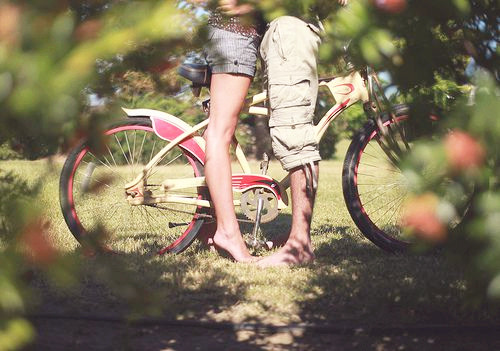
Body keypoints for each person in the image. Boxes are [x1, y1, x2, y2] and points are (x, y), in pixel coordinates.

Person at [256, 0, 349, 267]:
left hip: (290, 31)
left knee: (295, 133)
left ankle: (299, 246)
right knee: (289, 129)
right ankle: (296, 238)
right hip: (282, 32)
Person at [193, 0, 264, 262]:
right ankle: (228, 232)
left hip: (232, 35)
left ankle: (210, 226)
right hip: (235, 36)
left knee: (216, 133)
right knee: (219, 134)